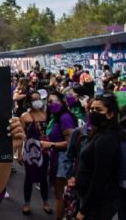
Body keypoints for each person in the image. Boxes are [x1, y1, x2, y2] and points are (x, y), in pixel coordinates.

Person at [76, 93, 124, 220]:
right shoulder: (100, 132)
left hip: (98, 204)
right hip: (93, 200)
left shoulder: (106, 139)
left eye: (98, 110)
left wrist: (84, 210)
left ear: (110, 114)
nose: (93, 112)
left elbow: (100, 178)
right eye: (91, 109)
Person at [40, 91, 77, 220]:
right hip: (58, 157)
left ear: (61, 102)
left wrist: (50, 144)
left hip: (64, 159)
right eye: (48, 102)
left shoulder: (64, 118)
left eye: (53, 101)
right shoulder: (55, 117)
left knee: (60, 194)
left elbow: (71, 143)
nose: (50, 104)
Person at [19, 91, 52, 215]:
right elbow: (21, 137)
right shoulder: (24, 116)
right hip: (30, 152)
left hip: (44, 150)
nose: (38, 101)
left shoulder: (46, 114)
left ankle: (46, 202)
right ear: (29, 101)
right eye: (34, 99)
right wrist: (20, 153)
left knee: (44, 178)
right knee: (29, 177)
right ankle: (27, 203)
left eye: (39, 98)